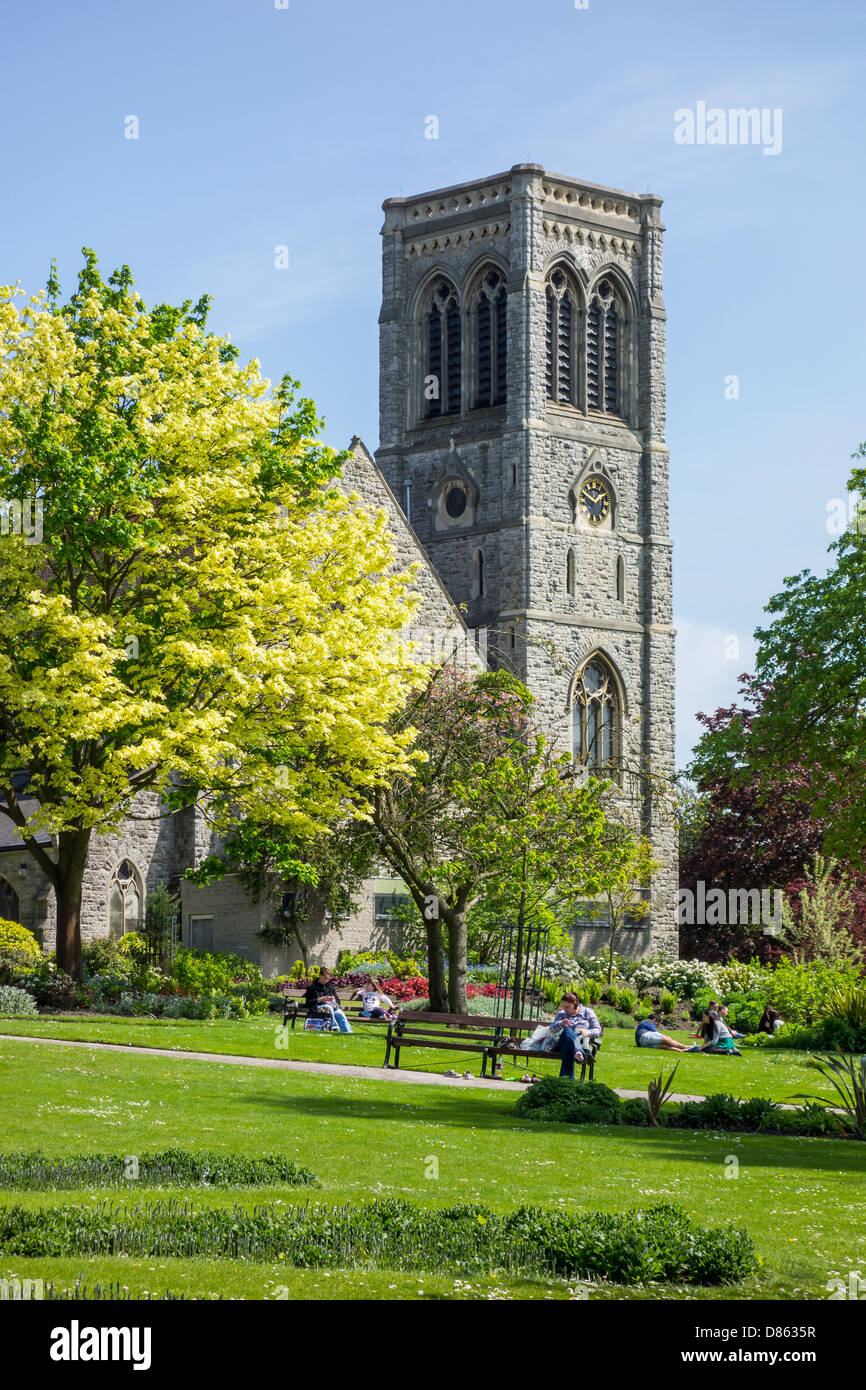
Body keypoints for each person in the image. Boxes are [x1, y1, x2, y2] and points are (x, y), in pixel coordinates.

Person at [547, 992, 602, 1079]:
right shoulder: (562, 1014)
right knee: (567, 1031)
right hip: (563, 1041)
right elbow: (551, 1029)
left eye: (567, 1007)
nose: (565, 1009)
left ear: (575, 1004)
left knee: (567, 1048)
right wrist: (560, 1023)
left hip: (581, 1042)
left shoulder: (587, 1012)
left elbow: (598, 1030)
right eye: (563, 1006)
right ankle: (579, 1052)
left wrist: (588, 1032)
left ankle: (566, 1081)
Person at [304, 968, 353, 1033]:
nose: (326, 980)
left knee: (339, 1013)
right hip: (317, 1008)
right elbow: (308, 1003)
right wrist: (319, 999)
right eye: (325, 978)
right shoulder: (312, 987)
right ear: (320, 975)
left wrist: (333, 1001)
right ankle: (334, 1028)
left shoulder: (330, 986)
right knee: (328, 1008)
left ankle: (348, 1032)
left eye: (328, 979)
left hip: (331, 1007)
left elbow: (338, 1001)